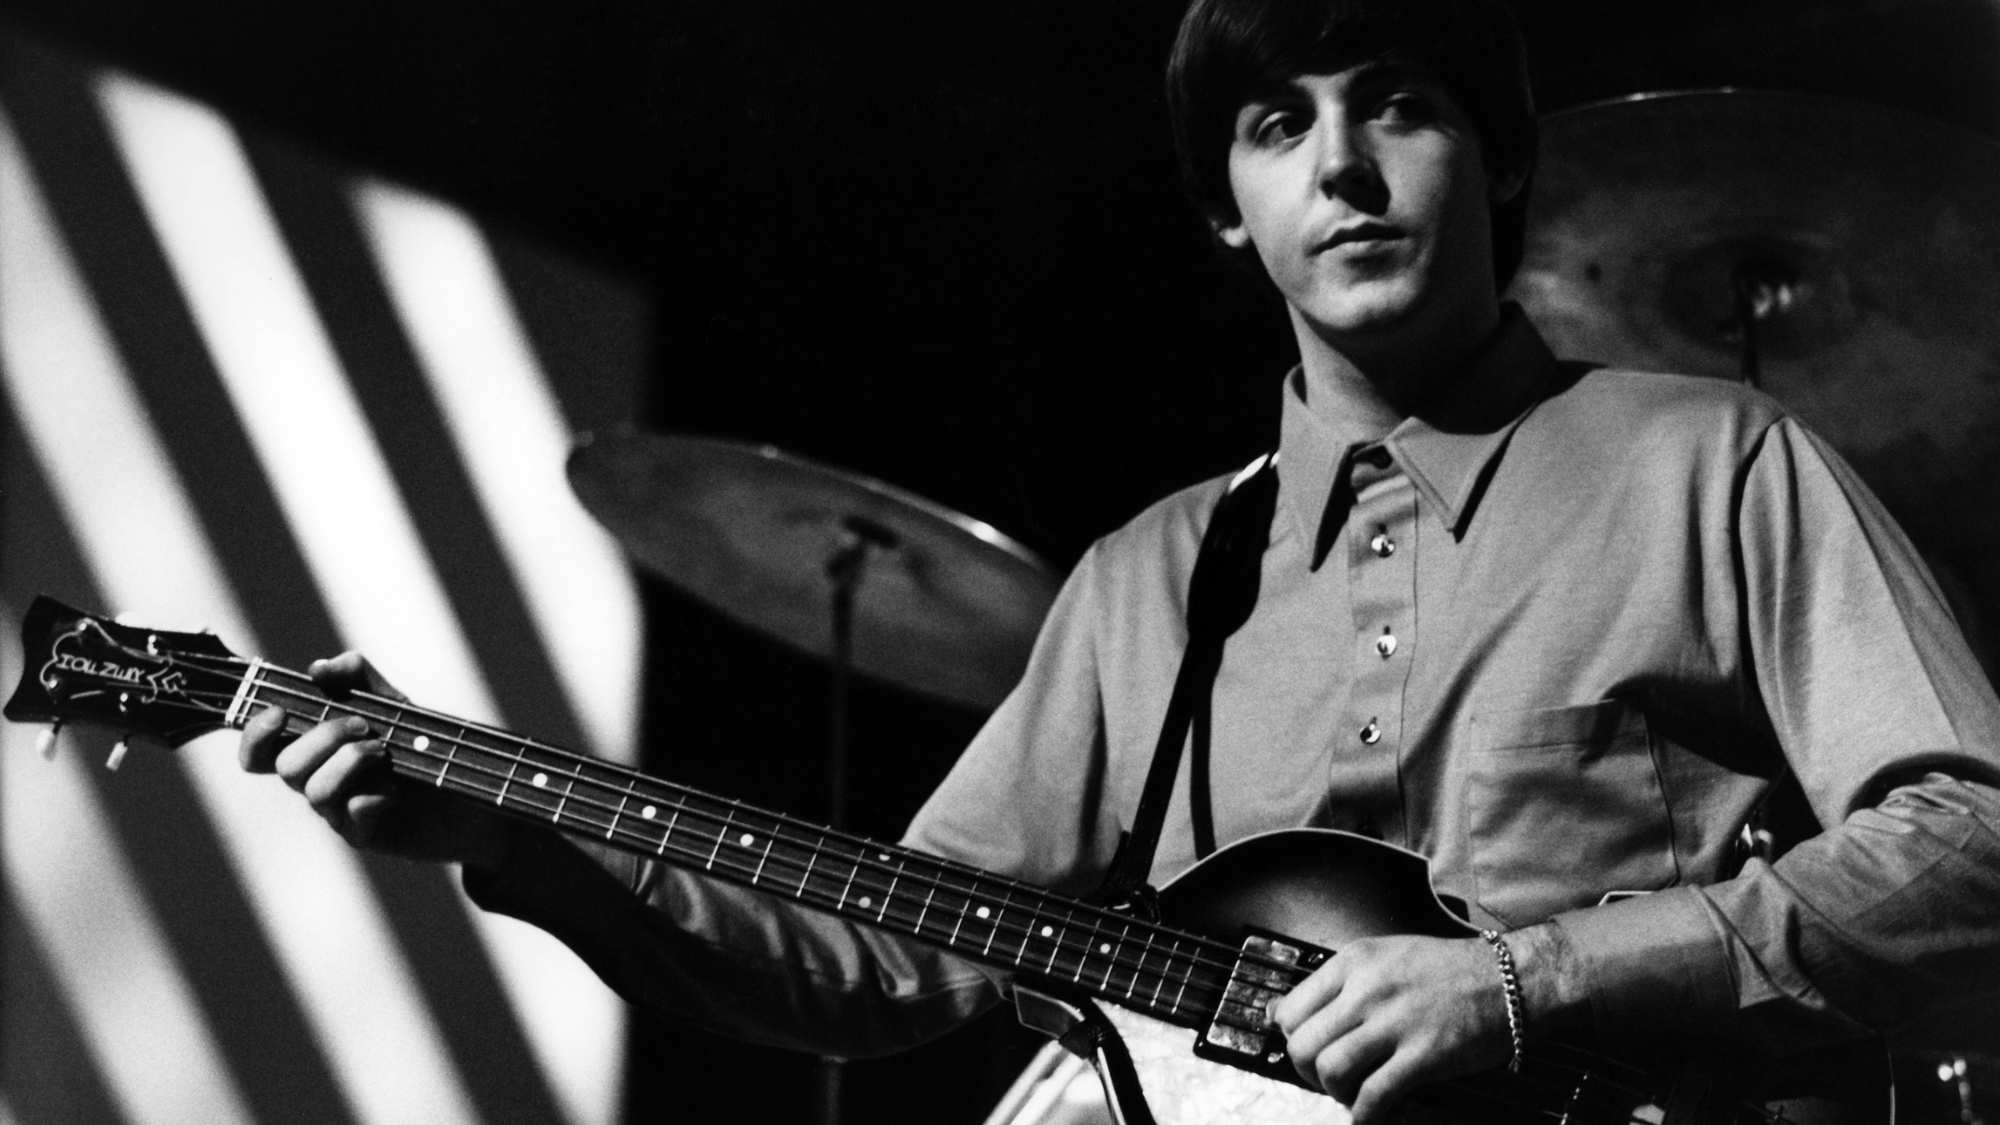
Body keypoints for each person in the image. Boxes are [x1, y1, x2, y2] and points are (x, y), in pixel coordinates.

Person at [239, 0, 2000, 1120]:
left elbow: (1972, 845)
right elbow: (881, 964)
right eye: (1279, 124)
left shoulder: (1710, 460)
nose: (1345, 168)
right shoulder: (1154, 578)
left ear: (1506, 155)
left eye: (1397, 104)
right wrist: (509, 829)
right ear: (1232, 209)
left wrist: (1520, 980)